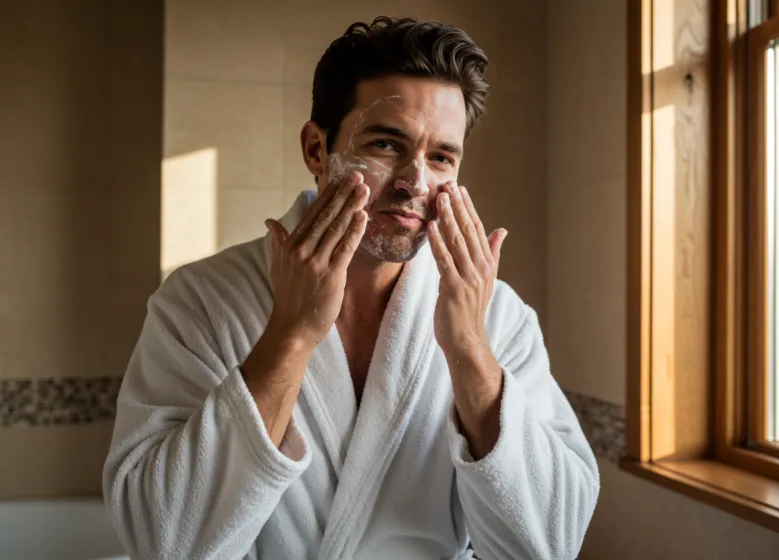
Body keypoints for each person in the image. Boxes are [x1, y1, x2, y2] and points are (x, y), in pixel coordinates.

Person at [103, 16, 599, 560]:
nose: (416, 182)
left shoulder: (499, 318)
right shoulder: (201, 301)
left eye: (441, 157)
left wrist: (471, 354)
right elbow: (161, 539)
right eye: (387, 144)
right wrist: (289, 337)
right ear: (317, 149)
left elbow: (551, 544)